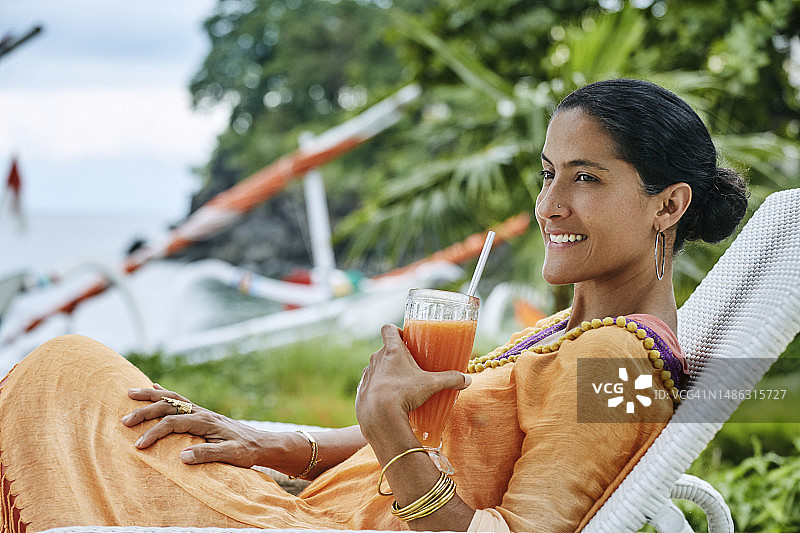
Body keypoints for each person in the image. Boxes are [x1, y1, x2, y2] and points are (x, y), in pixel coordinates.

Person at [0, 78, 747, 532]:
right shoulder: (571, 331)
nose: (548, 203)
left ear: (668, 204)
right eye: (549, 173)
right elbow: (435, 437)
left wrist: (390, 429)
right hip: (299, 505)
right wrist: (261, 439)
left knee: (62, 375)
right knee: (75, 383)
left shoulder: (619, 361)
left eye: (585, 178)